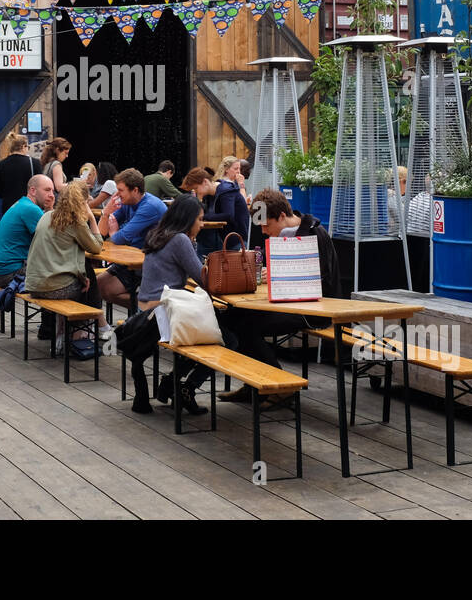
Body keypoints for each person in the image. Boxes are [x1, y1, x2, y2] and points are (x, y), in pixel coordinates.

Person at [217, 188, 341, 403]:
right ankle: (256, 383)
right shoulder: (277, 233)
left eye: (266, 225)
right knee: (229, 319)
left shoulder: (314, 233)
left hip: (311, 310)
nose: (264, 230)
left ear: (282, 216)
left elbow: (324, 283)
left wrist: (279, 276)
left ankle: (280, 387)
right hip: (282, 304)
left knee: (246, 328)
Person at [127, 195, 234, 415]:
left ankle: (173, 383)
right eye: (200, 219)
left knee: (213, 331)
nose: (202, 224)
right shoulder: (180, 240)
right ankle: (183, 387)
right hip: (162, 315)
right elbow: (204, 280)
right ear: (188, 219)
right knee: (228, 340)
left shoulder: (157, 234)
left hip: (144, 311)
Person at [24, 181, 106, 356]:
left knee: (86, 275)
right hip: (55, 289)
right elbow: (97, 247)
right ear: (82, 202)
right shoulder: (75, 221)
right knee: (88, 277)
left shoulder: (47, 216)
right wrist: (91, 218)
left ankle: (67, 332)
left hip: (33, 285)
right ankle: (91, 330)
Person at [96, 168, 167, 313]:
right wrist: (106, 212)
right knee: (96, 285)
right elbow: (102, 233)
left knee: (105, 289)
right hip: (131, 258)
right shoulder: (128, 202)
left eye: (120, 190)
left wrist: (114, 231)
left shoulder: (150, 206)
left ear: (135, 190)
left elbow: (120, 238)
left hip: (150, 262)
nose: (116, 195)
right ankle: (145, 310)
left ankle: (151, 309)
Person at [0, 174, 55, 290]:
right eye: (47, 190)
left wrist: (49, 209)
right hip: (8, 274)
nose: (52, 195)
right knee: (64, 277)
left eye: (53, 191)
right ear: (33, 190)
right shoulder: (31, 209)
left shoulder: (22, 203)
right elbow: (53, 240)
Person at [204, 155, 250, 250]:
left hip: (235, 233)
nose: (238, 171)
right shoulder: (227, 187)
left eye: (239, 169)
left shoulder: (230, 185)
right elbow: (230, 213)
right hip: (235, 234)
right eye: (235, 168)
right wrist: (241, 185)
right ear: (226, 169)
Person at [0, 132, 39, 215]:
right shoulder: (34, 163)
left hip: (9, 208)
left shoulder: (2, 164)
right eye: (28, 147)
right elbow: (40, 187)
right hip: (29, 207)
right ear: (23, 147)